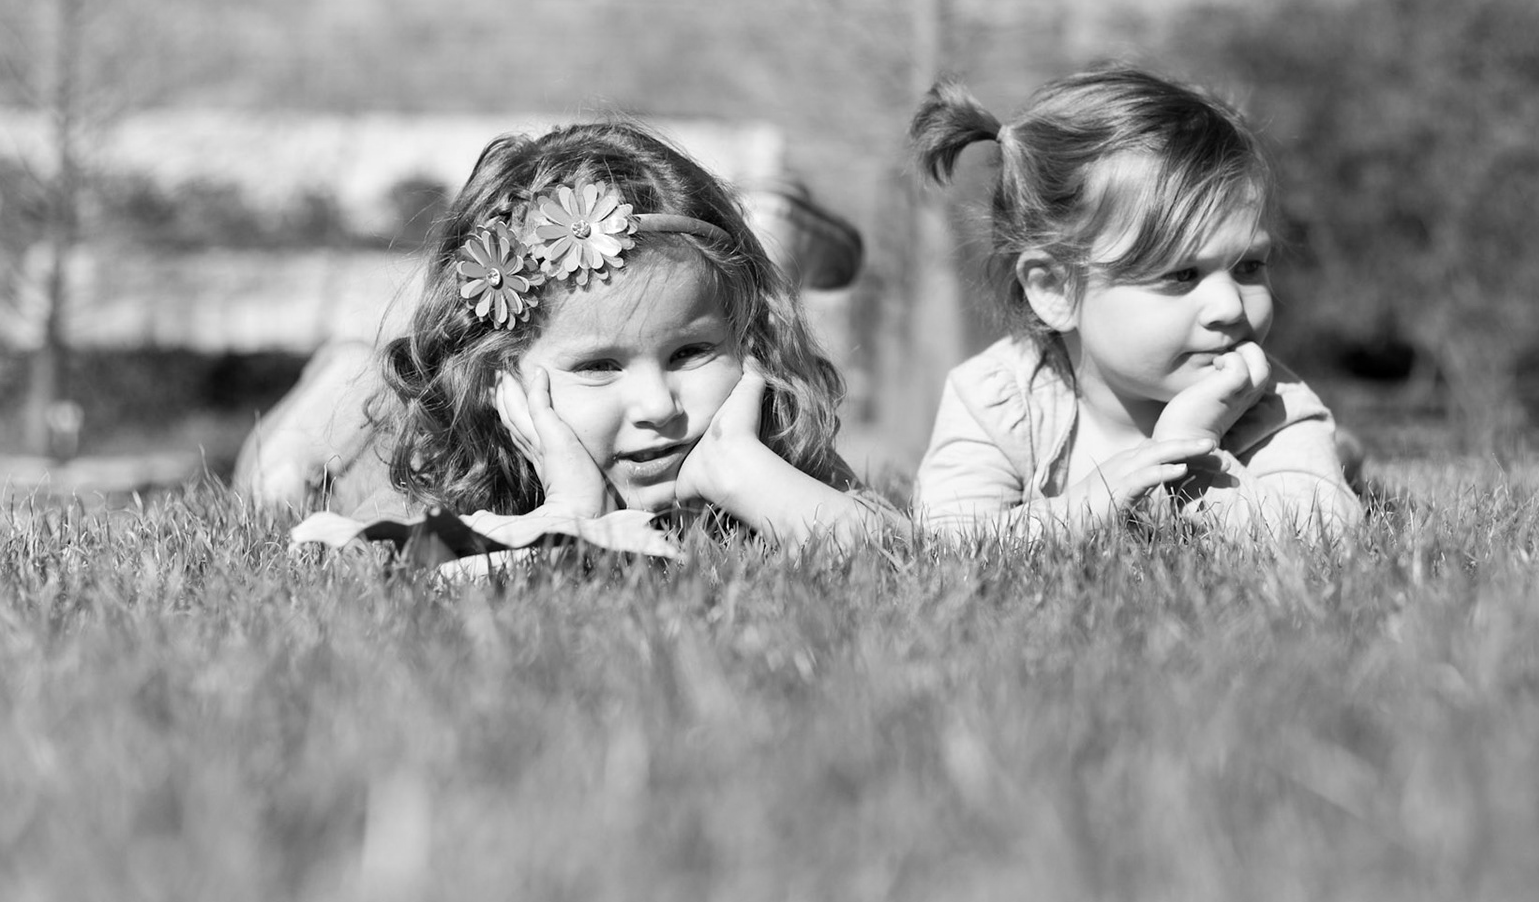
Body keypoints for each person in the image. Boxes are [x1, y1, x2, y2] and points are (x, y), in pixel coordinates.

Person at [289, 118, 896, 561]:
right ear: (500, 382)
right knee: (278, 473)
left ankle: (769, 243)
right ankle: (341, 367)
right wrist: (572, 512)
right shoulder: (428, 449)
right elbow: (420, 583)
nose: (660, 408)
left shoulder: (751, 420)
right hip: (348, 430)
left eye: (690, 353)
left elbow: (901, 555)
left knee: (732, 284)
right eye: (600, 366)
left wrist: (746, 472)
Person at [908, 66, 1360, 541]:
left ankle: (1341, 454)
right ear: (1054, 290)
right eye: (1182, 274)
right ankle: (1345, 451)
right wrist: (1078, 511)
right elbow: (945, 543)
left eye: (1249, 265)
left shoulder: (1268, 402)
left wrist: (1192, 454)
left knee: (1324, 468)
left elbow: (1326, 539)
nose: (1229, 306)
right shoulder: (999, 402)